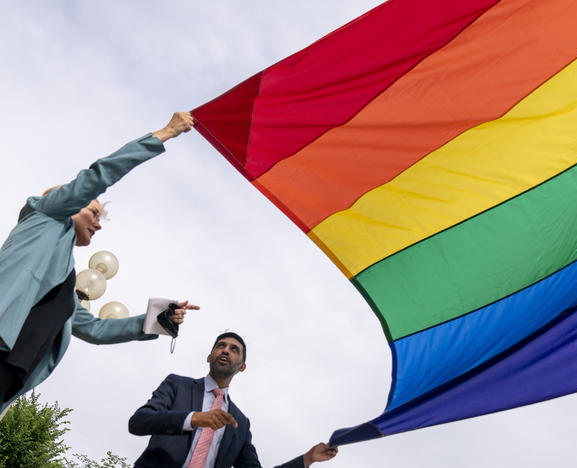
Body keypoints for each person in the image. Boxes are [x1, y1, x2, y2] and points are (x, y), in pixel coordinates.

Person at [0, 112, 199, 412]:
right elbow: (98, 175)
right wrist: (166, 132)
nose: (98, 223)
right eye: (93, 212)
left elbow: (95, 329)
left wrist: (160, 317)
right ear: (68, 204)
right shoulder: (47, 213)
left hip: (10, 375)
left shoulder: (64, 281)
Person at [129, 332, 339, 468]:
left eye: (234, 349)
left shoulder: (240, 422)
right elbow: (138, 421)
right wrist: (193, 419)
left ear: (242, 367)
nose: (226, 350)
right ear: (209, 356)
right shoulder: (177, 385)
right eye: (221, 346)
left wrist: (306, 459)